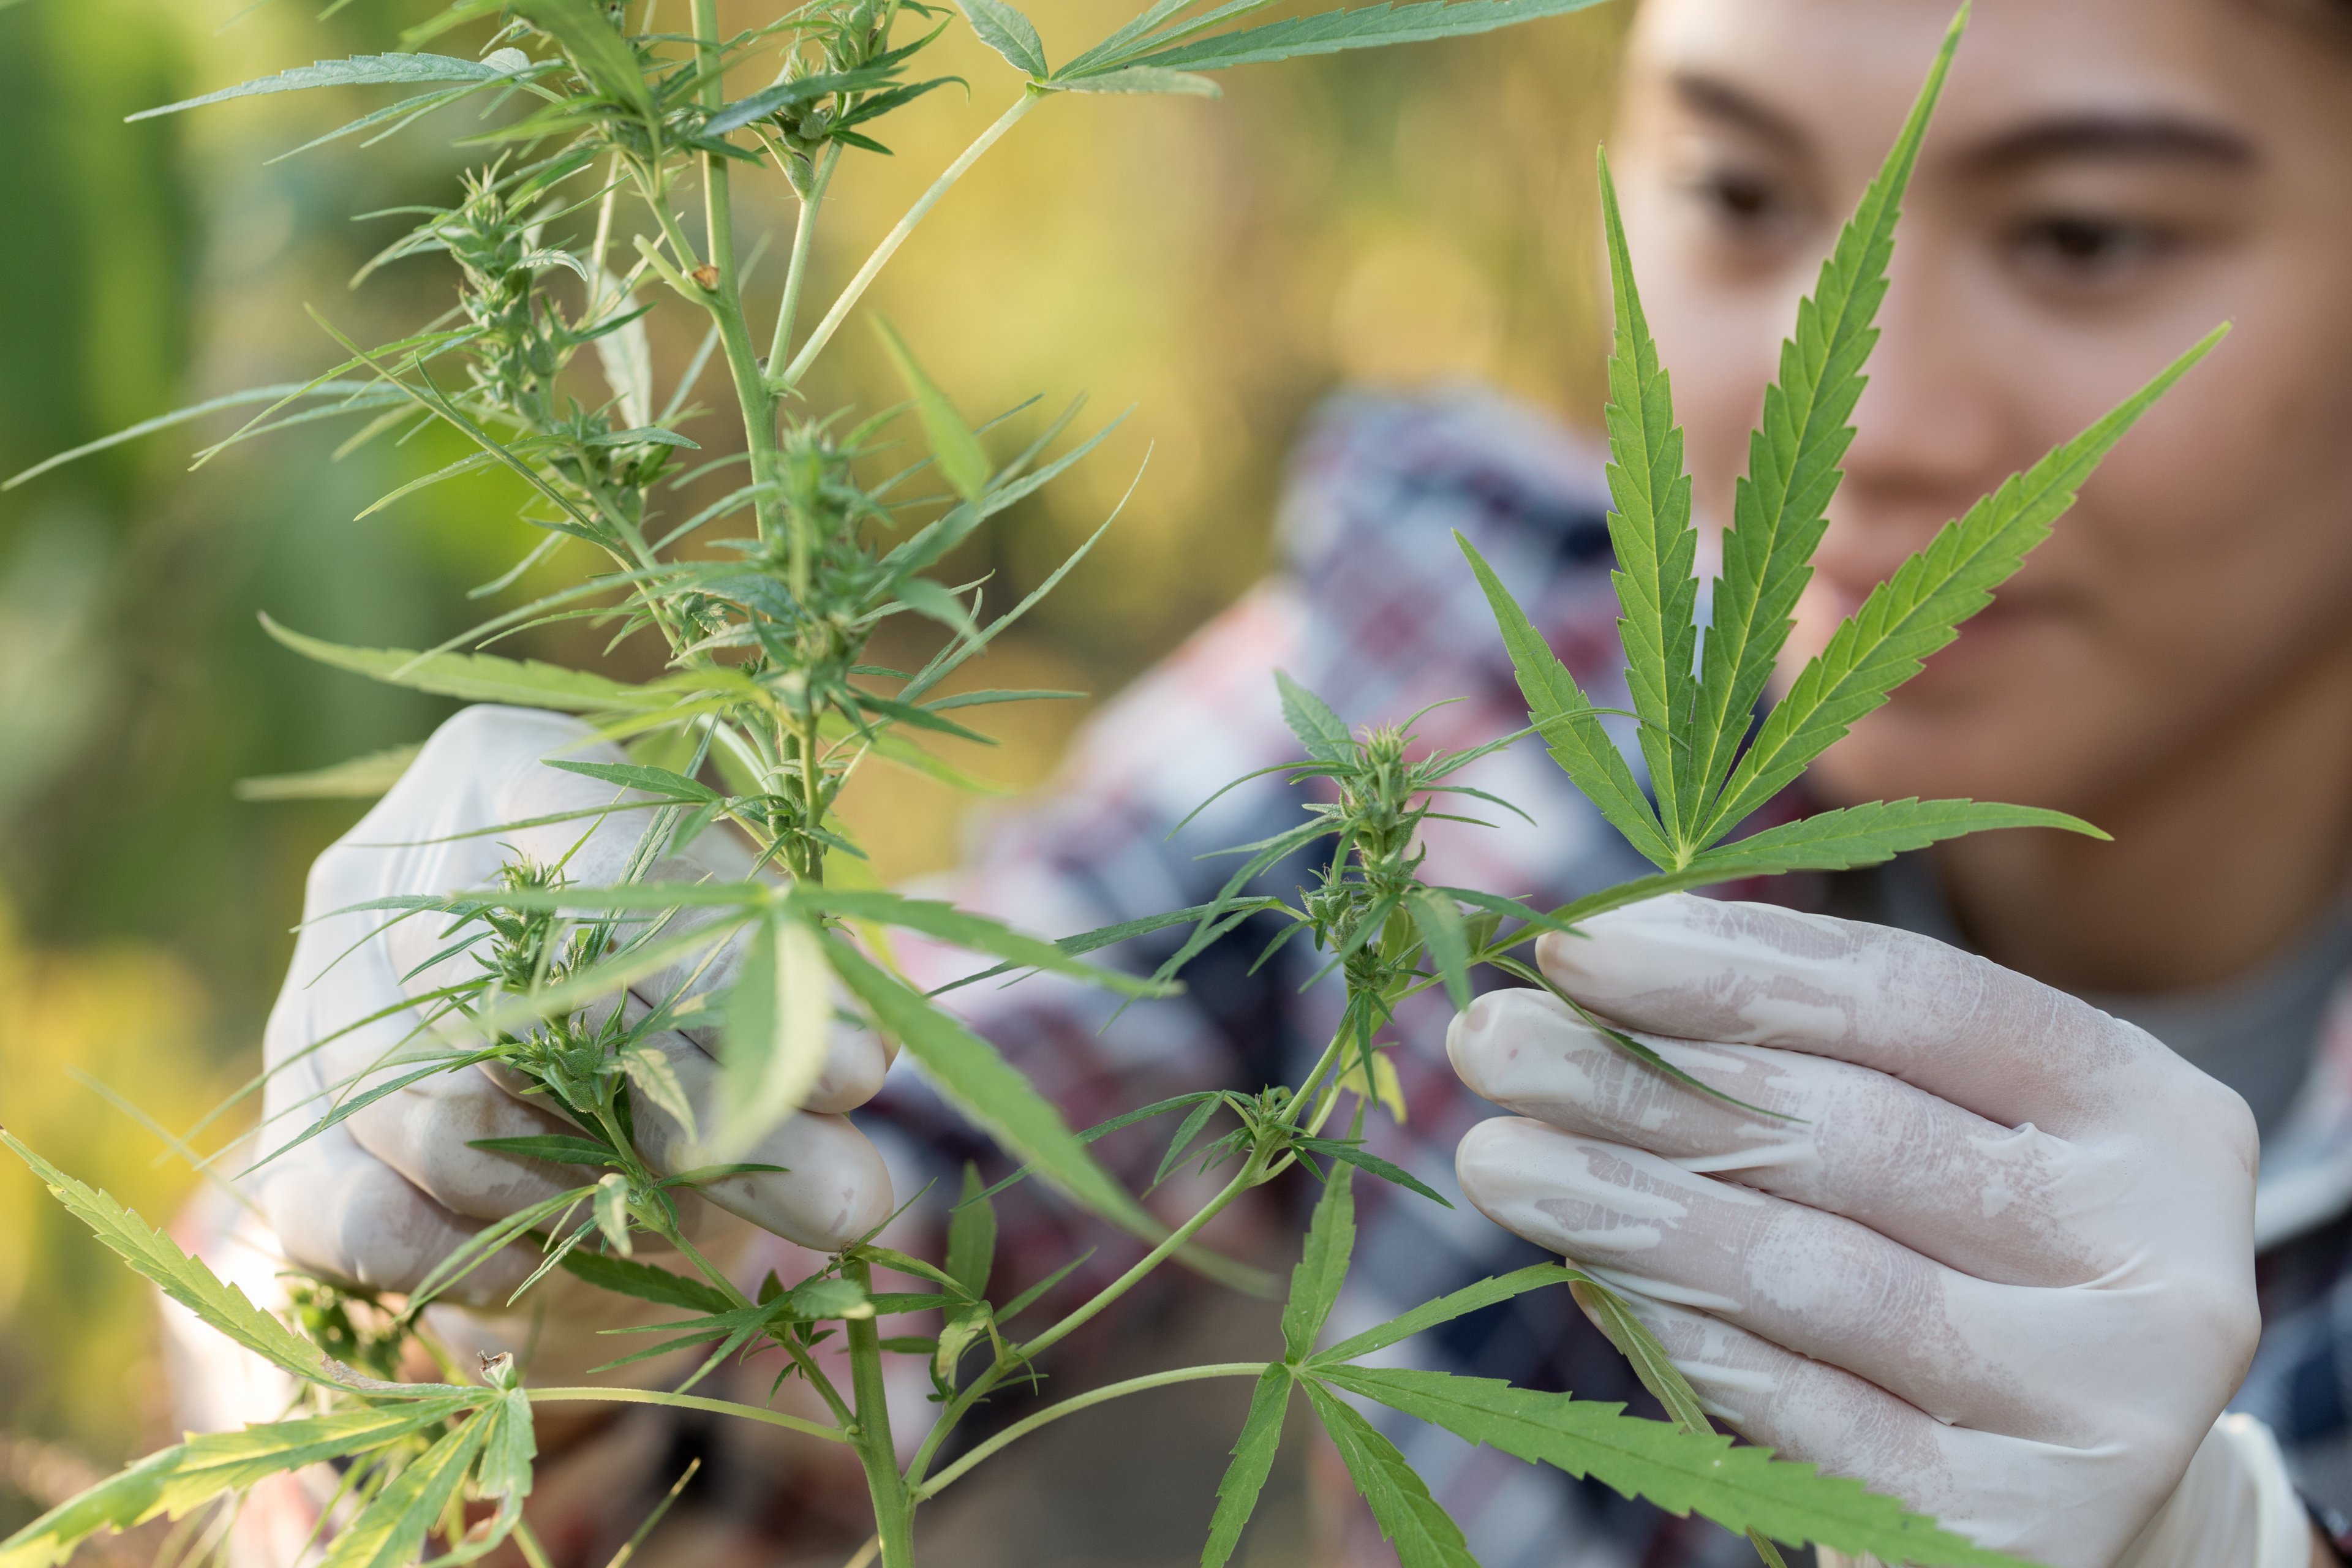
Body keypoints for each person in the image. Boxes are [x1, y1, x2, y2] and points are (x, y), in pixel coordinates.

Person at [194, 0, 2352, 1564]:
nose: (1863, 415)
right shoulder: (1460, 676)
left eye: (2083, 238)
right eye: (1732, 190)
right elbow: (876, 1239)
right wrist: (508, 1249)